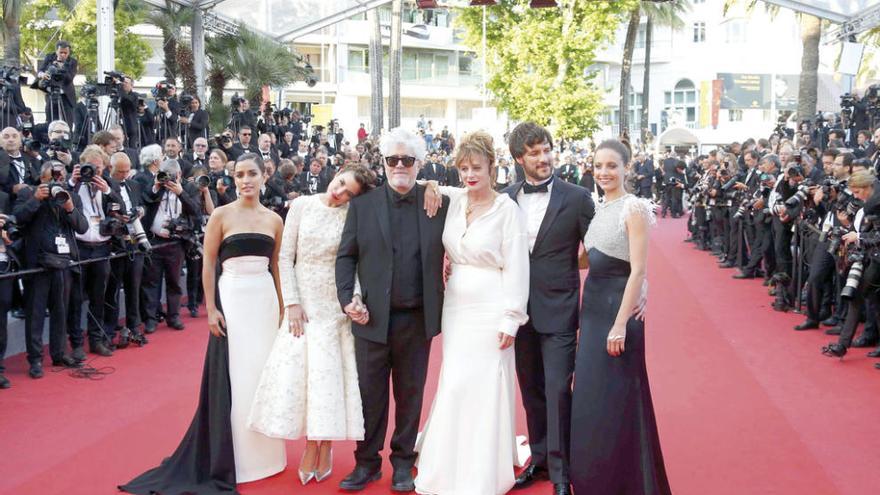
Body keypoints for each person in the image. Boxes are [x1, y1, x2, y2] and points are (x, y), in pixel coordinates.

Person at [120, 153, 287, 494]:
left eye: (252, 173)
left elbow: (277, 267)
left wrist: (284, 308)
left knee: (262, 376)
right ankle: (236, 458)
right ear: (233, 179)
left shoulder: (274, 220)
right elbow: (208, 264)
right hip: (234, 299)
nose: (246, 180)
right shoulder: (221, 216)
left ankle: (268, 454)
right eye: (239, 174)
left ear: (263, 176)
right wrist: (211, 308)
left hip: (265, 301)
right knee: (236, 377)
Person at [414, 130, 530, 495]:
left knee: (486, 381)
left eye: (476, 167)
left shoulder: (507, 209)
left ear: (492, 167)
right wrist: (432, 182)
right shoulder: (455, 198)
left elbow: (516, 266)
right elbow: (418, 182)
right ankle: (450, 455)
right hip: (457, 306)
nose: (469, 174)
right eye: (463, 168)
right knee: (456, 378)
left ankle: (483, 466)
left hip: (492, 305)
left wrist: (511, 317)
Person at [334, 127, 449, 491]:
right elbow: (345, 256)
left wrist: (433, 185)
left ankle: (402, 463)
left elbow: (478, 193)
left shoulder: (438, 202)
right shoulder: (363, 204)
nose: (399, 165)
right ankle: (366, 462)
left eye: (407, 159)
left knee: (410, 396)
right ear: (383, 163)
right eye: (392, 159)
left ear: (419, 164)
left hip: (417, 319)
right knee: (370, 396)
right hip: (371, 318)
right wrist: (346, 299)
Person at [249, 164, 376, 485]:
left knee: (328, 380)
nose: (340, 192)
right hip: (303, 306)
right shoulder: (302, 205)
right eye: (340, 183)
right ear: (337, 173)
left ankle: (326, 444)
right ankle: (310, 445)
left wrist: (354, 298)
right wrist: (290, 302)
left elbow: (355, 264)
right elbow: (284, 257)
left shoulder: (352, 216)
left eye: (349, 193)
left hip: (335, 307)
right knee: (303, 378)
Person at [570, 139, 670, 495]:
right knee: (591, 399)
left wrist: (619, 324)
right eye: (598, 166)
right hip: (593, 307)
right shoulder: (599, 208)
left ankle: (626, 483)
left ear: (628, 168)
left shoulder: (634, 208)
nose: (604, 173)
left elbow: (638, 269)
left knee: (618, 401)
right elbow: (589, 257)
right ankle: (595, 480)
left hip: (616, 313)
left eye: (612, 166)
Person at [15, 161, 88, 378]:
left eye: (60, 177)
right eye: (51, 178)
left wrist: (69, 208)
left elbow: (82, 227)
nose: (56, 182)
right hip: (37, 265)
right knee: (35, 314)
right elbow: (17, 218)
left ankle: (59, 353)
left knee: (61, 310)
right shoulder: (29, 192)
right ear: (42, 178)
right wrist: (36, 199)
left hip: (63, 262)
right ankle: (35, 360)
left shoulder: (71, 196)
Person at [37, 40, 78, 126]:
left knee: (68, 122)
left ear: (69, 52)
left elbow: (69, 79)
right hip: (51, 93)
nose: (63, 55)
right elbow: (40, 70)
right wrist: (43, 75)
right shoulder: (49, 57)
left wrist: (62, 68)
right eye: (61, 52)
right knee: (51, 121)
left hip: (66, 95)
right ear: (56, 51)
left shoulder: (72, 62)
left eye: (65, 53)